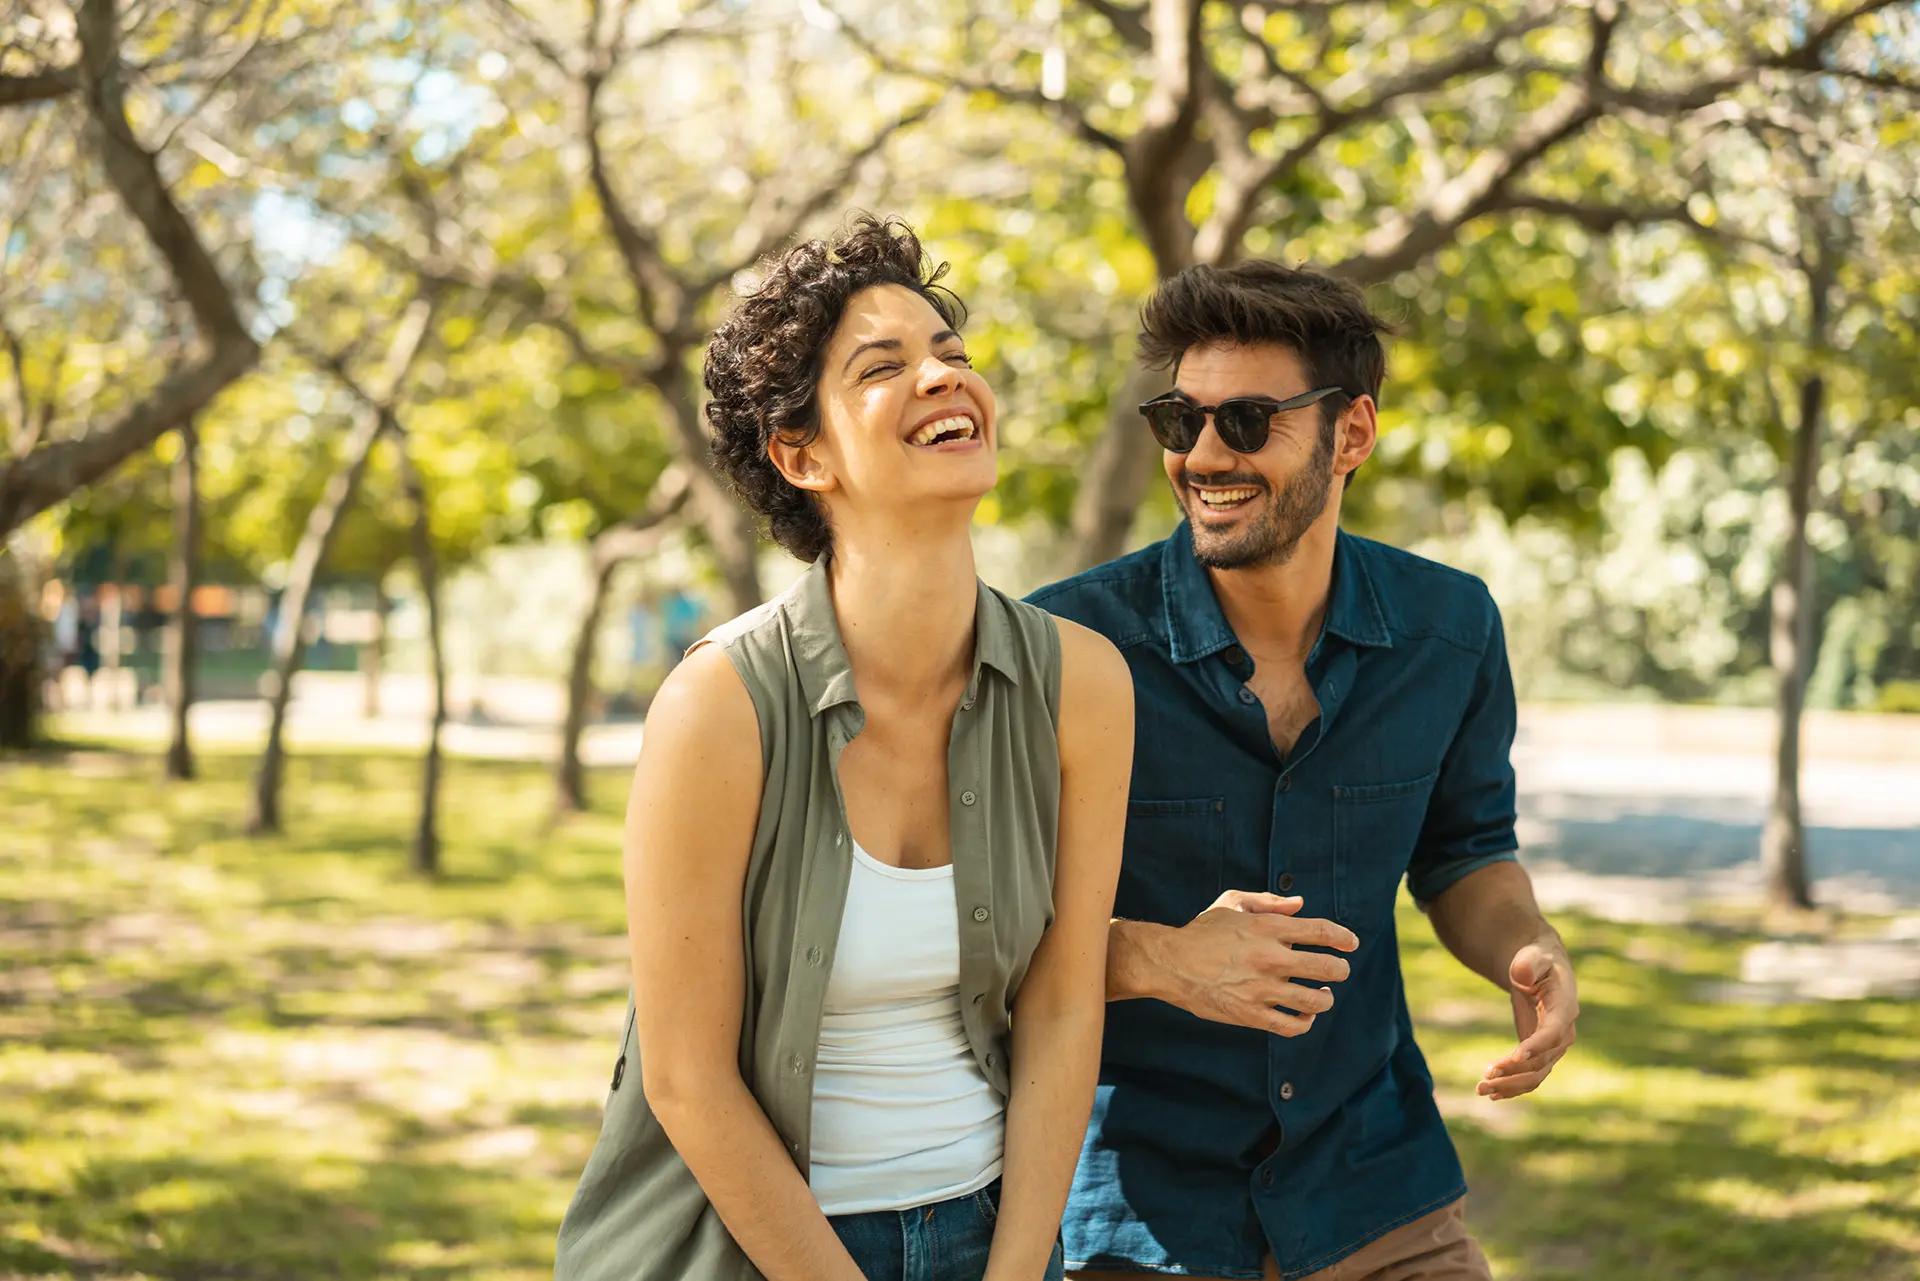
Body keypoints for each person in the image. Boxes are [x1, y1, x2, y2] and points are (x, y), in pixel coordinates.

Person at [554, 216, 1134, 1281]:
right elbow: (686, 1077)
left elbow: (1061, 1003)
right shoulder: (719, 706)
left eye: (952, 355)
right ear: (801, 453)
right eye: (885, 366)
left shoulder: (1084, 686)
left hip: (990, 1232)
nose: (942, 378)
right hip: (749, 1248)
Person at [1029, 261, 1580, 1280]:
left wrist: (1527, 946)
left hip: (1378, 1194)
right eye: (1178, 420)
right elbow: (975, 934)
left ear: (1352, 433)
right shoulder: (1064, 646)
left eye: (1245, 421)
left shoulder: (1451, 630)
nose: (1201, 456)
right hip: (1139, 1221)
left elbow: (1465, 854)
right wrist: (1157, 959)